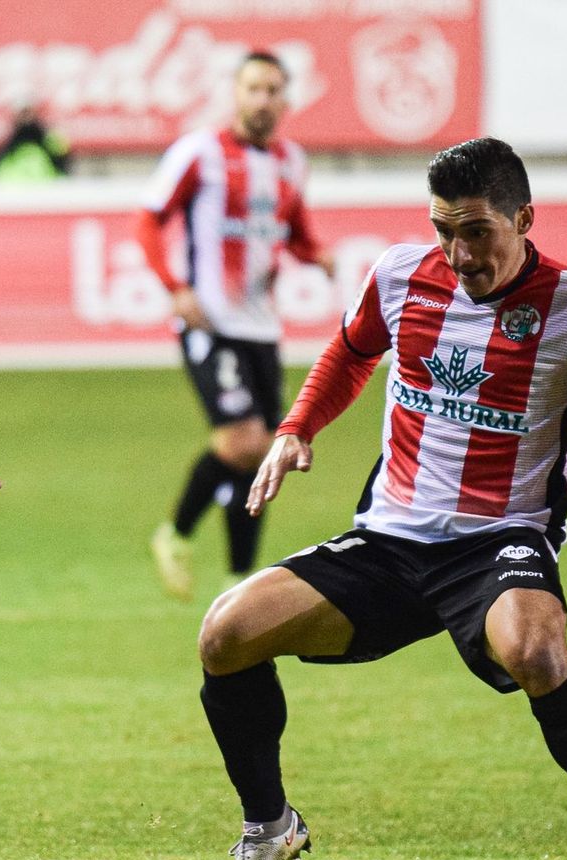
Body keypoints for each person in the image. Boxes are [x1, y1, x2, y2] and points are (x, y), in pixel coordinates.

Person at [196, 138, 567, 860]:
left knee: (537, 653)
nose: (459, 253)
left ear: (524, 219)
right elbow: (349, 354)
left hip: (499, 545)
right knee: (225, 633)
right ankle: (268, 825)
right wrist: (297, 427)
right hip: (389, 540)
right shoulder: (399, 276)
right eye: (444, 230)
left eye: (479, 232)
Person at [140, 51, 335, 601]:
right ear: (236, 93)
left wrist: (314, 254)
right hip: (212, 323)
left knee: (259, 455)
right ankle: (174, 533)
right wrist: (175, 287)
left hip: (262, 329)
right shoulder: (199, 153)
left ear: (286, 100)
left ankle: (237, 579)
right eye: (253, 88)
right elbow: (149, 217)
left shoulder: (291, 162)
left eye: (273, 89)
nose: (263, 99)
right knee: (245, 440)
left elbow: (293, 229)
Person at [0, 104, 72, 183]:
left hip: (45, 188)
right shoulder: (7, 141)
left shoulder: (47, 137)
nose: (26, 118)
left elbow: (63, 160)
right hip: (13, 190)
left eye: (28, 112)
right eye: (23, 113)